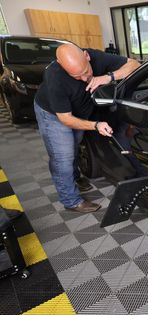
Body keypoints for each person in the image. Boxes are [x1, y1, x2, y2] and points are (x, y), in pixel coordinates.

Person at [34, 44, 140, 213]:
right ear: (62, 66)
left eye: (86, 72)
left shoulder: (96, 56)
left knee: (74, 145)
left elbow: (134, 64)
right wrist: (95, 125)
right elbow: (66, 119)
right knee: (63, 156)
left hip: (80, 110)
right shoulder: (55, 77)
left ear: (86, 56)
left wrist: (109, 77)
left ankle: (74, 177)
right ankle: (71, 200)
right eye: (77, 76)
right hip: (54, 115)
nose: (84, 79)